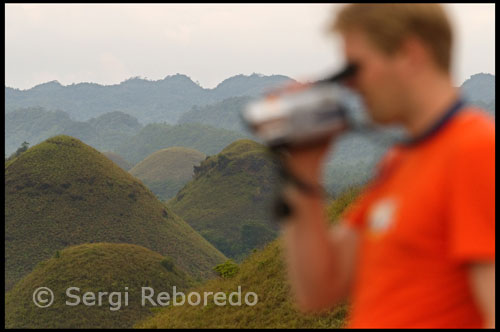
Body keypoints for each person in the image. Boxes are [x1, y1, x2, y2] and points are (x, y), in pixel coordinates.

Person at [280, 4, 495, 328]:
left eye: (356, 68)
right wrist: (303, 170)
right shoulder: (400, 160)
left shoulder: (476, 151)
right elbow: (320, 290)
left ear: (409, 53)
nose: (350, 85)